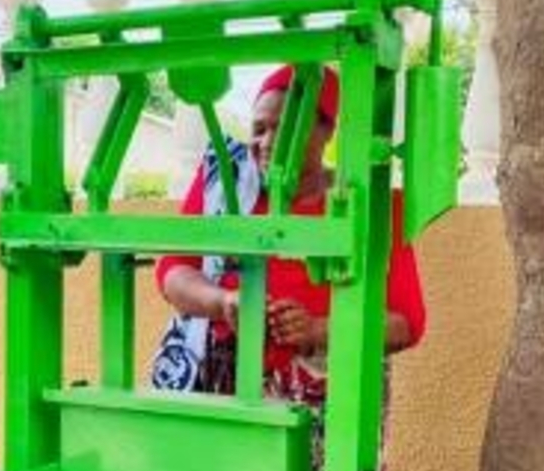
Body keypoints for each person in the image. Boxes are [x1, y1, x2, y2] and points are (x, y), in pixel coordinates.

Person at [154, 64, 426, 432]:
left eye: (284, 130)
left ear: (326, 130)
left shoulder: (375, 206)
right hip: (224, 384)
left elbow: (406, 323)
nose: (265, 143)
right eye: (259, 128)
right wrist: (223, 302)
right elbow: (173, 270)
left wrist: (315, 329)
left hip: (330, 403)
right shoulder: (227, 186)